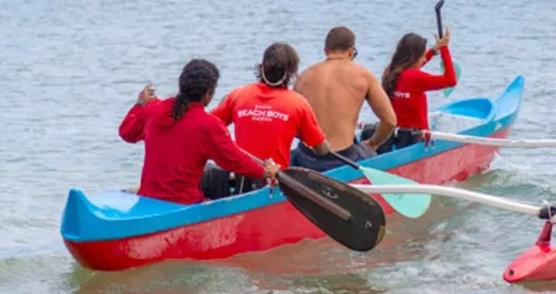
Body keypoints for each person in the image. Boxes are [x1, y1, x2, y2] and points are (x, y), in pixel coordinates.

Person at [118, 59, 280, 205]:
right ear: (208, 94)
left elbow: (126, 133)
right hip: (184, 203)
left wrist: (139, 105)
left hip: (148, 198)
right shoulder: (209, 124)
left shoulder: (153, 109)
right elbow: (234, 160)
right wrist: (265, 171)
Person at [207, 42, 331, 195]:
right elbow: (322, 150)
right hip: (275, 183)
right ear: (291, 72)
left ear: (263, 67)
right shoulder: (299, 104)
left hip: (242, 180)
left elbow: (208, 126)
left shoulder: (238, 94)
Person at [291, 26, 397, 171]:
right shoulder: (363, 75)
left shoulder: (304, 76)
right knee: (370, 152)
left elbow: (291, 122)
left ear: (325, 51)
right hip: (343, 158)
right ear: (351, 51)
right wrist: (372, 144)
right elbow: (390, 121)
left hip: (307, 157)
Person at [363, 28, 456, 153]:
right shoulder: (416, 77)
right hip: (418, 139)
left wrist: (433, 51)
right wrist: (444, 49)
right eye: (422, 56)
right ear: (413, 58)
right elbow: (451, 80)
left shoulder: (390, 71)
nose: (424, 60)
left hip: (393, 136)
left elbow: (410, 71)